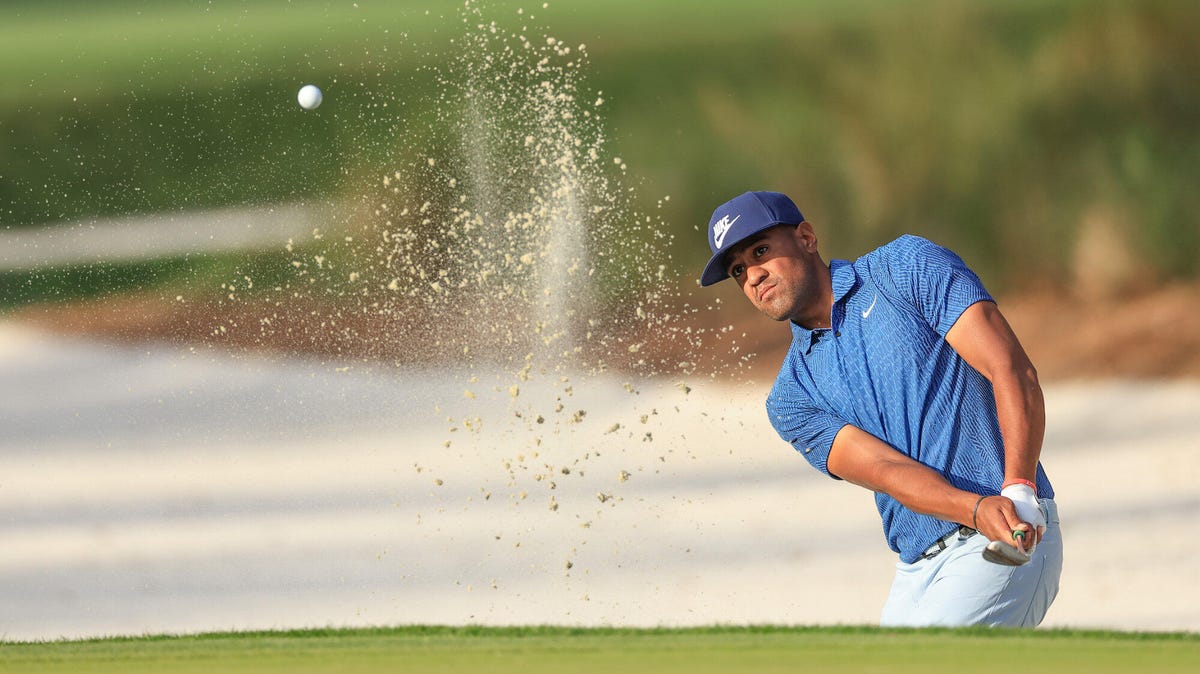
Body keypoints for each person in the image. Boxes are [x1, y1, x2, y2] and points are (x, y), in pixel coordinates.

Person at [700, 191, 1062, 627]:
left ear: (807, 238)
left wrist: (1018, 487)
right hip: (916, 570)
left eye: (761, 252)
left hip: (1006, 535)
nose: (753, 276)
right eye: (739, 271)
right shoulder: (791, 398)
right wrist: (972, 508)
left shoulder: (904, 268)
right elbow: (888, 470)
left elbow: (1010, 369)